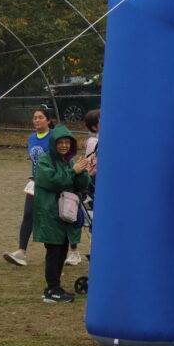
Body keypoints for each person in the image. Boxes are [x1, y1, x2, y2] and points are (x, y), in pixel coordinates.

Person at [32, 124, 90, 302]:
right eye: (60, 142)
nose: (64, 145)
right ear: (53, 143)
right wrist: (73, 171)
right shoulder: (45, 161)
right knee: (54, 251)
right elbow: (53, 181)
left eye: (67, 142)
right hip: (50, 214)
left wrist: (82, 171)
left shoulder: (69, 161)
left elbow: (80, 184)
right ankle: (52, 290)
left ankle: (55, 287)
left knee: (63, 249)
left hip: (65, 214)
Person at [4, 108, 54, 267]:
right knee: (28, 214)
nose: (36, 120)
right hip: (35, 183)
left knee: (54, 218)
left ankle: (72, 250)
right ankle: (21, 252)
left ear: (48, 120)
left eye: (40, 117)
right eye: (34, 117)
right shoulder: (32, 137)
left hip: (51, 183)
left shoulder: (54, 136)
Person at [66, 108, 101, 267]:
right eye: (101, 120)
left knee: (95, 218)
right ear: (94, 126)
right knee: (90, 217)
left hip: (97, 181)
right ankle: (82, 251)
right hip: (93, 182)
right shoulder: (94, 141)